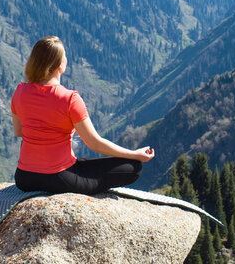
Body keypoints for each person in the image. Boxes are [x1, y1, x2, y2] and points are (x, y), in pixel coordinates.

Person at [11, 36, 154, 195]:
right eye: (65, 55)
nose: (66, 58)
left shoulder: (20, 91)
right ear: (60, 65)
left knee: (82, 164)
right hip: (58, 178)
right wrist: (135, 154)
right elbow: (95, 143)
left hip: (24, 178)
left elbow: (19, 131)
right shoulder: (69, 99)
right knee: (132, 168)